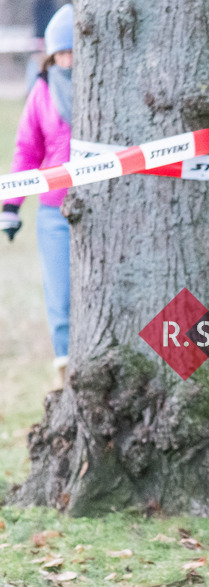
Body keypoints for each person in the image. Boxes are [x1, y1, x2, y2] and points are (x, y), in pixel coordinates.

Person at [0, 3, 74, 386]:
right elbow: (26, 150)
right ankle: (66, 377)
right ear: (50, 56)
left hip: (104, 214)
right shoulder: (42, 93)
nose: (67, 61)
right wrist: (11, 205)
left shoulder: (104, 93)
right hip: (53, 214)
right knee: (60, 302)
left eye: (73, 52)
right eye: (60, 54)